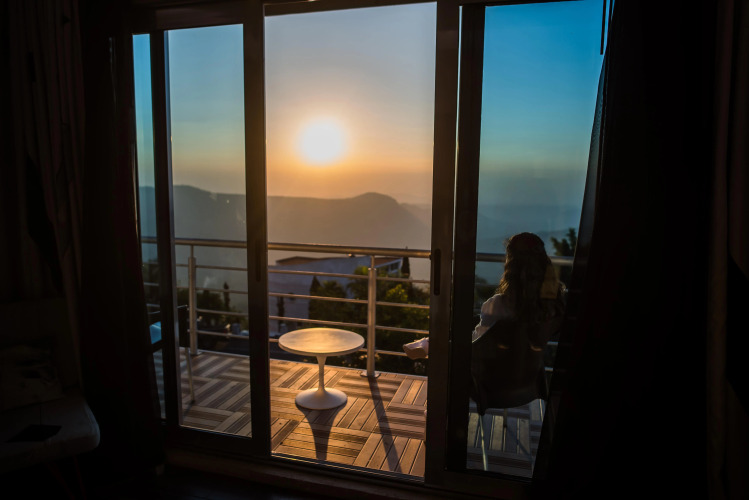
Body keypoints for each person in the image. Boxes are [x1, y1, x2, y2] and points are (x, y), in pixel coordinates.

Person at [402, 232, 565, 359]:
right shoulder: (553, 306)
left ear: (511, 266)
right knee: (471, 322)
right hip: (527, 377)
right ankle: (431, 343)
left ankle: (429, 345)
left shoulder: (498, 305)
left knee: (462, 334)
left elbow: (476, 347)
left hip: (490, 378)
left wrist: (443, 346)